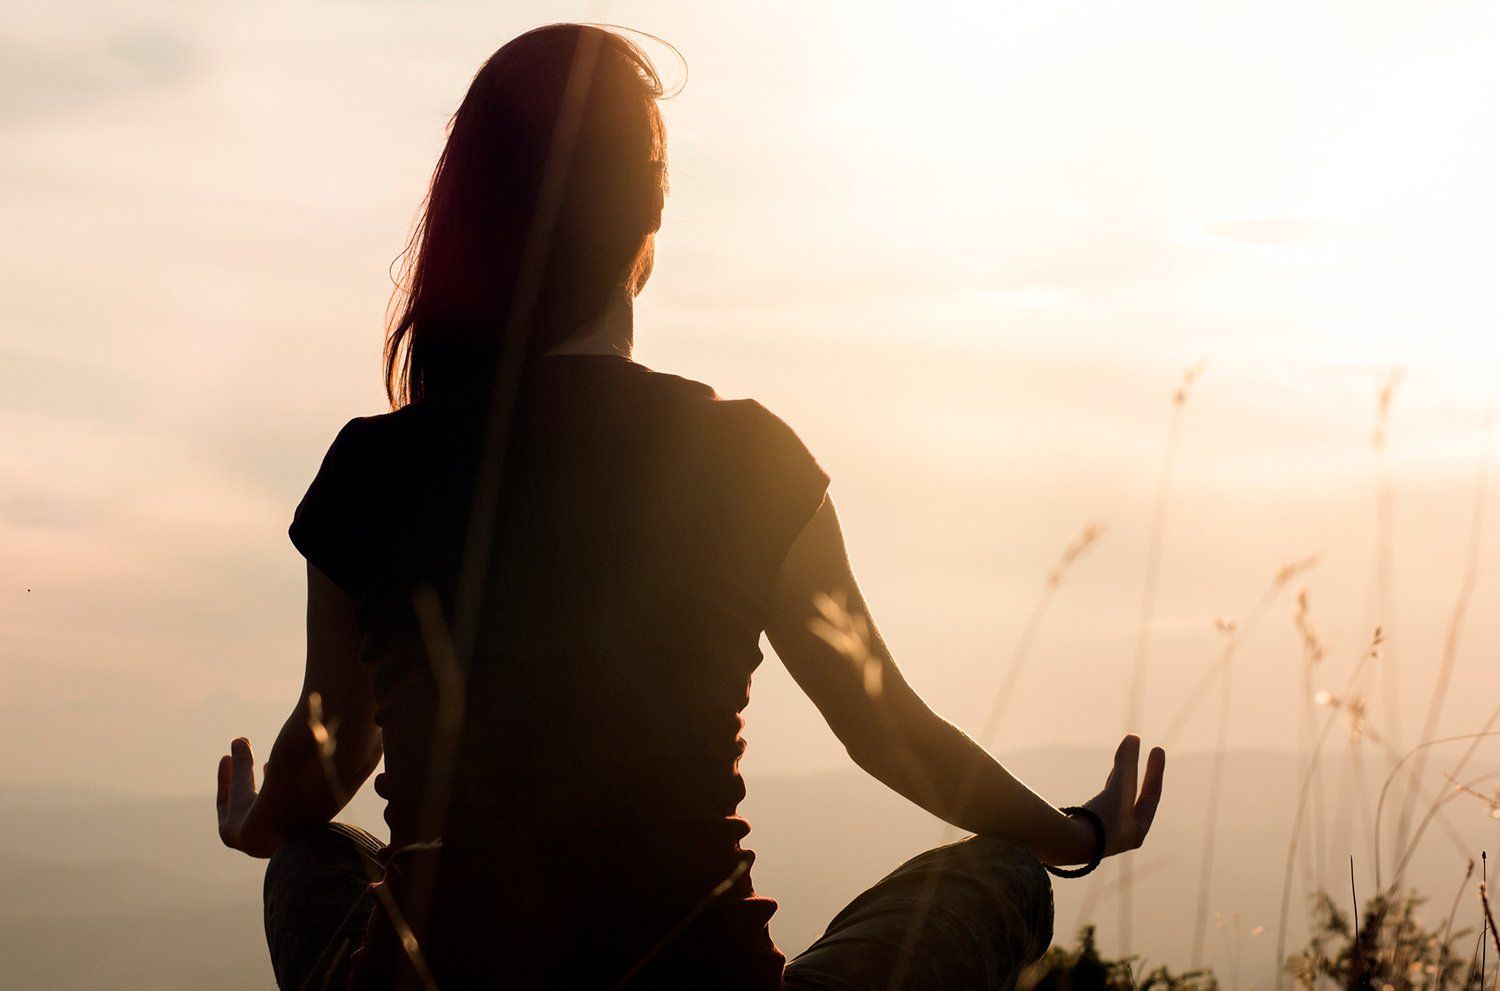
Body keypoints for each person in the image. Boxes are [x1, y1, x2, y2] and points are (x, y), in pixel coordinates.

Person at [214, 22, 1166, 991]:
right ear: (646, 218)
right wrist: (1077, 831)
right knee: (1005, 873)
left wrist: (252, 822)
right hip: (700, 980)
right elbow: (887, 731)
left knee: (313, 857)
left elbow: (328, 758)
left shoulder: (371, 467)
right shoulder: (746, 455)